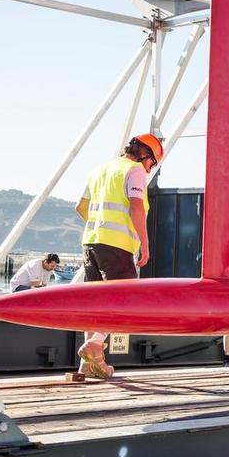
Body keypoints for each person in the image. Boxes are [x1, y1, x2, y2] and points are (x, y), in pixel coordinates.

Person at [73, 133, 163, 379]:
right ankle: (95, 344)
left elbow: (80, 207)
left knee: (94, 303)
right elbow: (136, 207)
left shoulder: (99, 170)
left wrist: (100, 227)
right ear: (145, 154)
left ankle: (91, 364)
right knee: (126, 298)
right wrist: (144, 244)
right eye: (152, 162)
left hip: (91, 242)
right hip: (118, 245)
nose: (149, 168)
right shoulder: (134, 171)